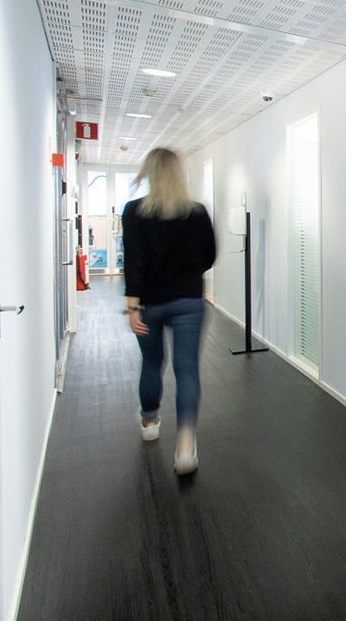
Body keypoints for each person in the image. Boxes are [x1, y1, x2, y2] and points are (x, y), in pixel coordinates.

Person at [122, 148, 216, 476]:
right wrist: (185, 274)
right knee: (187, 369)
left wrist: (132, 307)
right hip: (189, 301)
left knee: (152, 362)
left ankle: (150, 422)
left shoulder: (134, 211)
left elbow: (133, 261)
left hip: (149, 304)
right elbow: (209, 256)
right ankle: (186, 446)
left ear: (149, 173)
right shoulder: (197, 212)